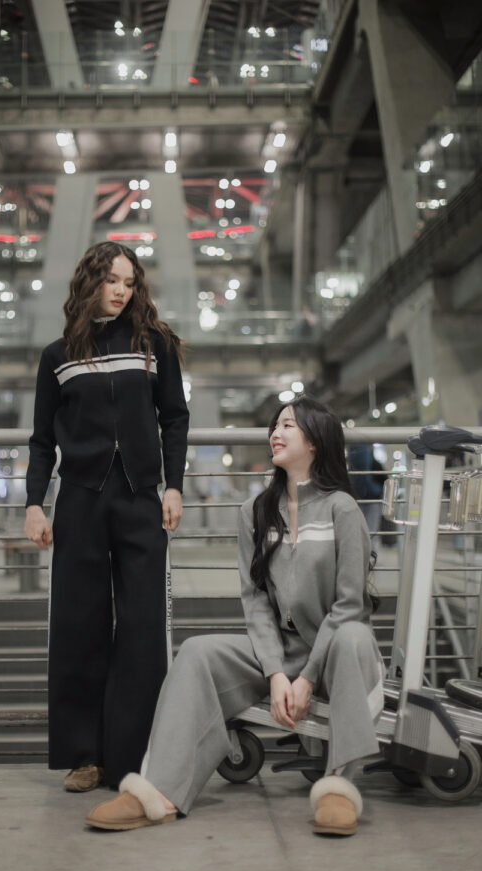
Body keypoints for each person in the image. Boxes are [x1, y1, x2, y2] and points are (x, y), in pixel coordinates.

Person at [86, 395, 385, 836]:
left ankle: (339, 786)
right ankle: (160, 791)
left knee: (353, 635)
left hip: (337, 652)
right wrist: (276, 673)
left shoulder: (342, 509)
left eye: (288, 426)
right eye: (275, 426)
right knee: (198, 653)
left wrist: (306, 679)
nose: (276, 433)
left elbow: (349, 605)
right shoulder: (255, 513)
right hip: (282, 651)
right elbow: (256, 601)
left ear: (315, 442)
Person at [25, 241, 189, 792]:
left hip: (141, 499)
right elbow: (42, 440)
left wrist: (173, 485)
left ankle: (131, 756)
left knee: (142, 628)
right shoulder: (58, 356)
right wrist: (34, 503)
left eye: (129, 282)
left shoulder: (154, 345)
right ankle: (84, 755)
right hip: (80, 501)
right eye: (112, 280)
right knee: (79, 625)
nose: (121, 291)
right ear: (90, 282)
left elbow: (175, 418)